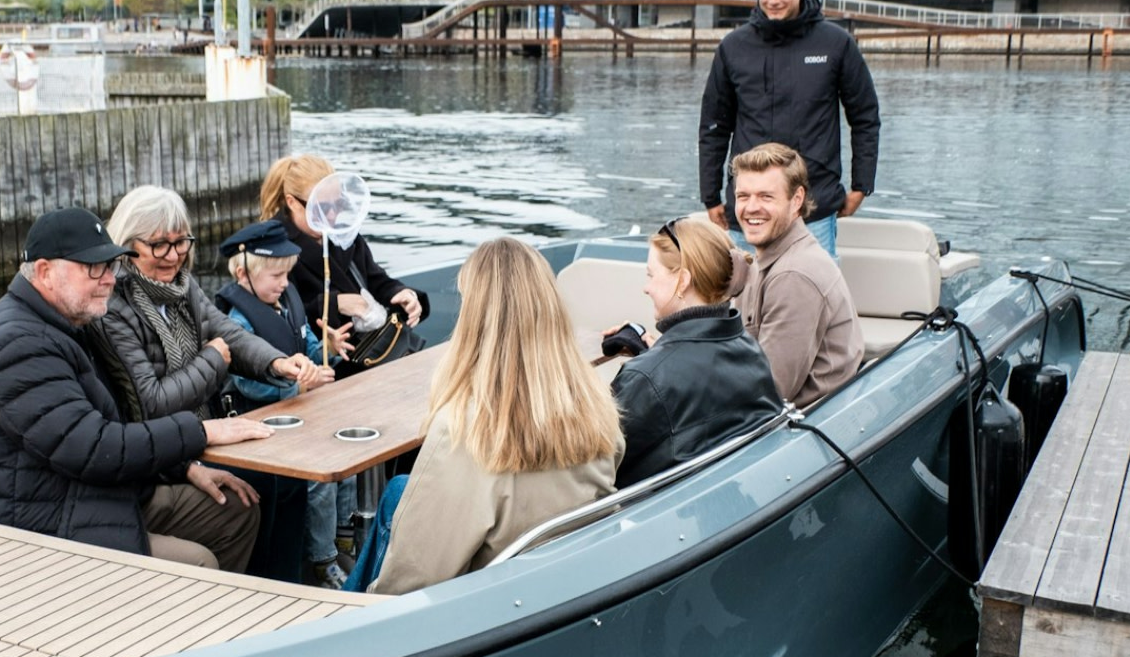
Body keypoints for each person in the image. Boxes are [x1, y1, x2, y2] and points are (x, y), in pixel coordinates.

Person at [0, 207, 271, 572]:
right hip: (41, 521)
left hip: (89, 491)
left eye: (110, 266)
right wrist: (201, 432)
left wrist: (184, 468)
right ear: (45, 272)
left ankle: (228, 620)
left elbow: (113, 420)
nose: (109, 280)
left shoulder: (68, 322)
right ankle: (189, 624)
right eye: (94, 268)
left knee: (235, 509)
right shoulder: (18, 345)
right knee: (197, 563)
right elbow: (91, 448)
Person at [359, 238, 623, 595]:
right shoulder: (595, 403)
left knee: (396, 500)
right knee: (398, 491)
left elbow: (409, 585)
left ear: (473, 317)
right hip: (563, 586)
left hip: (482, 607)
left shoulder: (464, 431)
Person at [93, 185, 322, 582]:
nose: (174, 255)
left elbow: (228, 333)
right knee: (261, 486)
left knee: (292, 478)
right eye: (158, 245)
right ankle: (260, 588)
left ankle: (290, 585)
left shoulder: (183, 285)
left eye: (180, 242)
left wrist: (278, 362)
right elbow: (152, 401)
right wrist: (213, 360)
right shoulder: (115, 308)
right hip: (164, 447)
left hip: (202, 433)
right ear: (127, 245)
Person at [698, 0, 881, 257]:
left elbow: (865, 118)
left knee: (815, 299)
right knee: (743, 301)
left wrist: (862, 185)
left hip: (814, 204)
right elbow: (714, 126)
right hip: (749, 208)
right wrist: (710, 196)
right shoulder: (733, 47)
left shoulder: (836, 43)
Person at [215, 219, 359, 589]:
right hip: (263, 423)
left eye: (286, 275)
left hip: (301, 413)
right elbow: (248, 382)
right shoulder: (238, 321)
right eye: (275, 275)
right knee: (319, 479)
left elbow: (308, 347)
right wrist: (298, 385)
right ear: (244, 274)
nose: (283, 283)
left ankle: (344, 535)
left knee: (349, 459)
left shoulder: (287, 300)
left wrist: (326, 352)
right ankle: (322, 560)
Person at [610, 218, 784, 487]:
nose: (647, 287)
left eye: (651, 275)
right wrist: (655, 353)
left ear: (682, 281)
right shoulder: (750, 351)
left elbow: (596, 460)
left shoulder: (645, 379)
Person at [260, 154, 429, 376]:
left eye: (338, 204)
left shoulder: (344, 235)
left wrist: (402, 294)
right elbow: (277, 314)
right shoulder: (271, 247)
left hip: (371, 353)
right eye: (321, 207)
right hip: (317, 367)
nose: (332, 214)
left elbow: (376, 279)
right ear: (292, 203)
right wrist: (334, 303)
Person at [731, 143, 864, 407]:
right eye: (743, 196)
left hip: (803, 427)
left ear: (797, 200)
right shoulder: (769, 257)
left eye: (766, 197)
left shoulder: (794, 276)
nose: (751, 208)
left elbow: (766, 393)